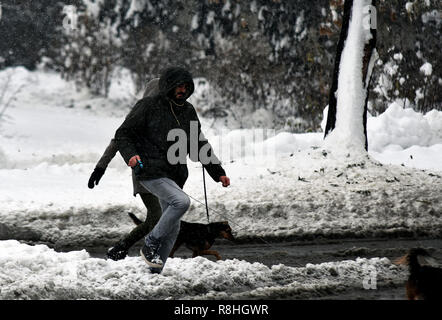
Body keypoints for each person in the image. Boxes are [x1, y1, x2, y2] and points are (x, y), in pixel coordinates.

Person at [115, 66, 230, 273]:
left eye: (186, 86)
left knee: (174, 227)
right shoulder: (148, 106)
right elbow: (123, 133)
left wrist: (217, 172)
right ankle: (150, 242)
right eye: (178, 86)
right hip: (149, 170)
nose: (182, 90)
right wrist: (131, 155)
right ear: (168, 85)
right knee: (181, 202)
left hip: (174, 175)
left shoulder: (188, 111)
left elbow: (197, 144)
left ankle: (155, 270)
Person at [88, 78, 162, 261]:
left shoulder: (166, 116)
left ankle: (158, 250)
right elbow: (117, 141)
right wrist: (100, 167)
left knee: (168, 213)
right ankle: (121, 248)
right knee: (156, 216)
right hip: (144, 173)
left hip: (163, 173)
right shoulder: (139, 115)